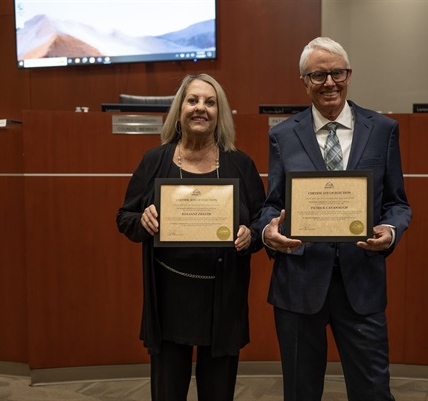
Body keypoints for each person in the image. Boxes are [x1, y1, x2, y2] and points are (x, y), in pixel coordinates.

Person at [258, 37, 412, 400]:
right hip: (299, 283)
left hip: (361, 282)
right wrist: (268, 232)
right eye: (318, 75)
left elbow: (398, 203)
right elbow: (272, 203)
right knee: (300, 391)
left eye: (337, 73)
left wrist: (390, 231)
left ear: (349, 75)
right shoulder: (282, 135)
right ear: (304, 81)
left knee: (373, 391)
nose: (330, 82)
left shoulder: (383, 130)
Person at [116, 73, 265, 401]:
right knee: (168, 392)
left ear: (220, 112)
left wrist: (250, 236)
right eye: (193, 100)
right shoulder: (154, 161)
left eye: (210, 102)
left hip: (222, 298)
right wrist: (143, 220)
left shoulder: (240, 164)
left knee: (218, 392)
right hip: (169, 297)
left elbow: (261, 222)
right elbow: (124, 218)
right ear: (179, 109)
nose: (201, 108)